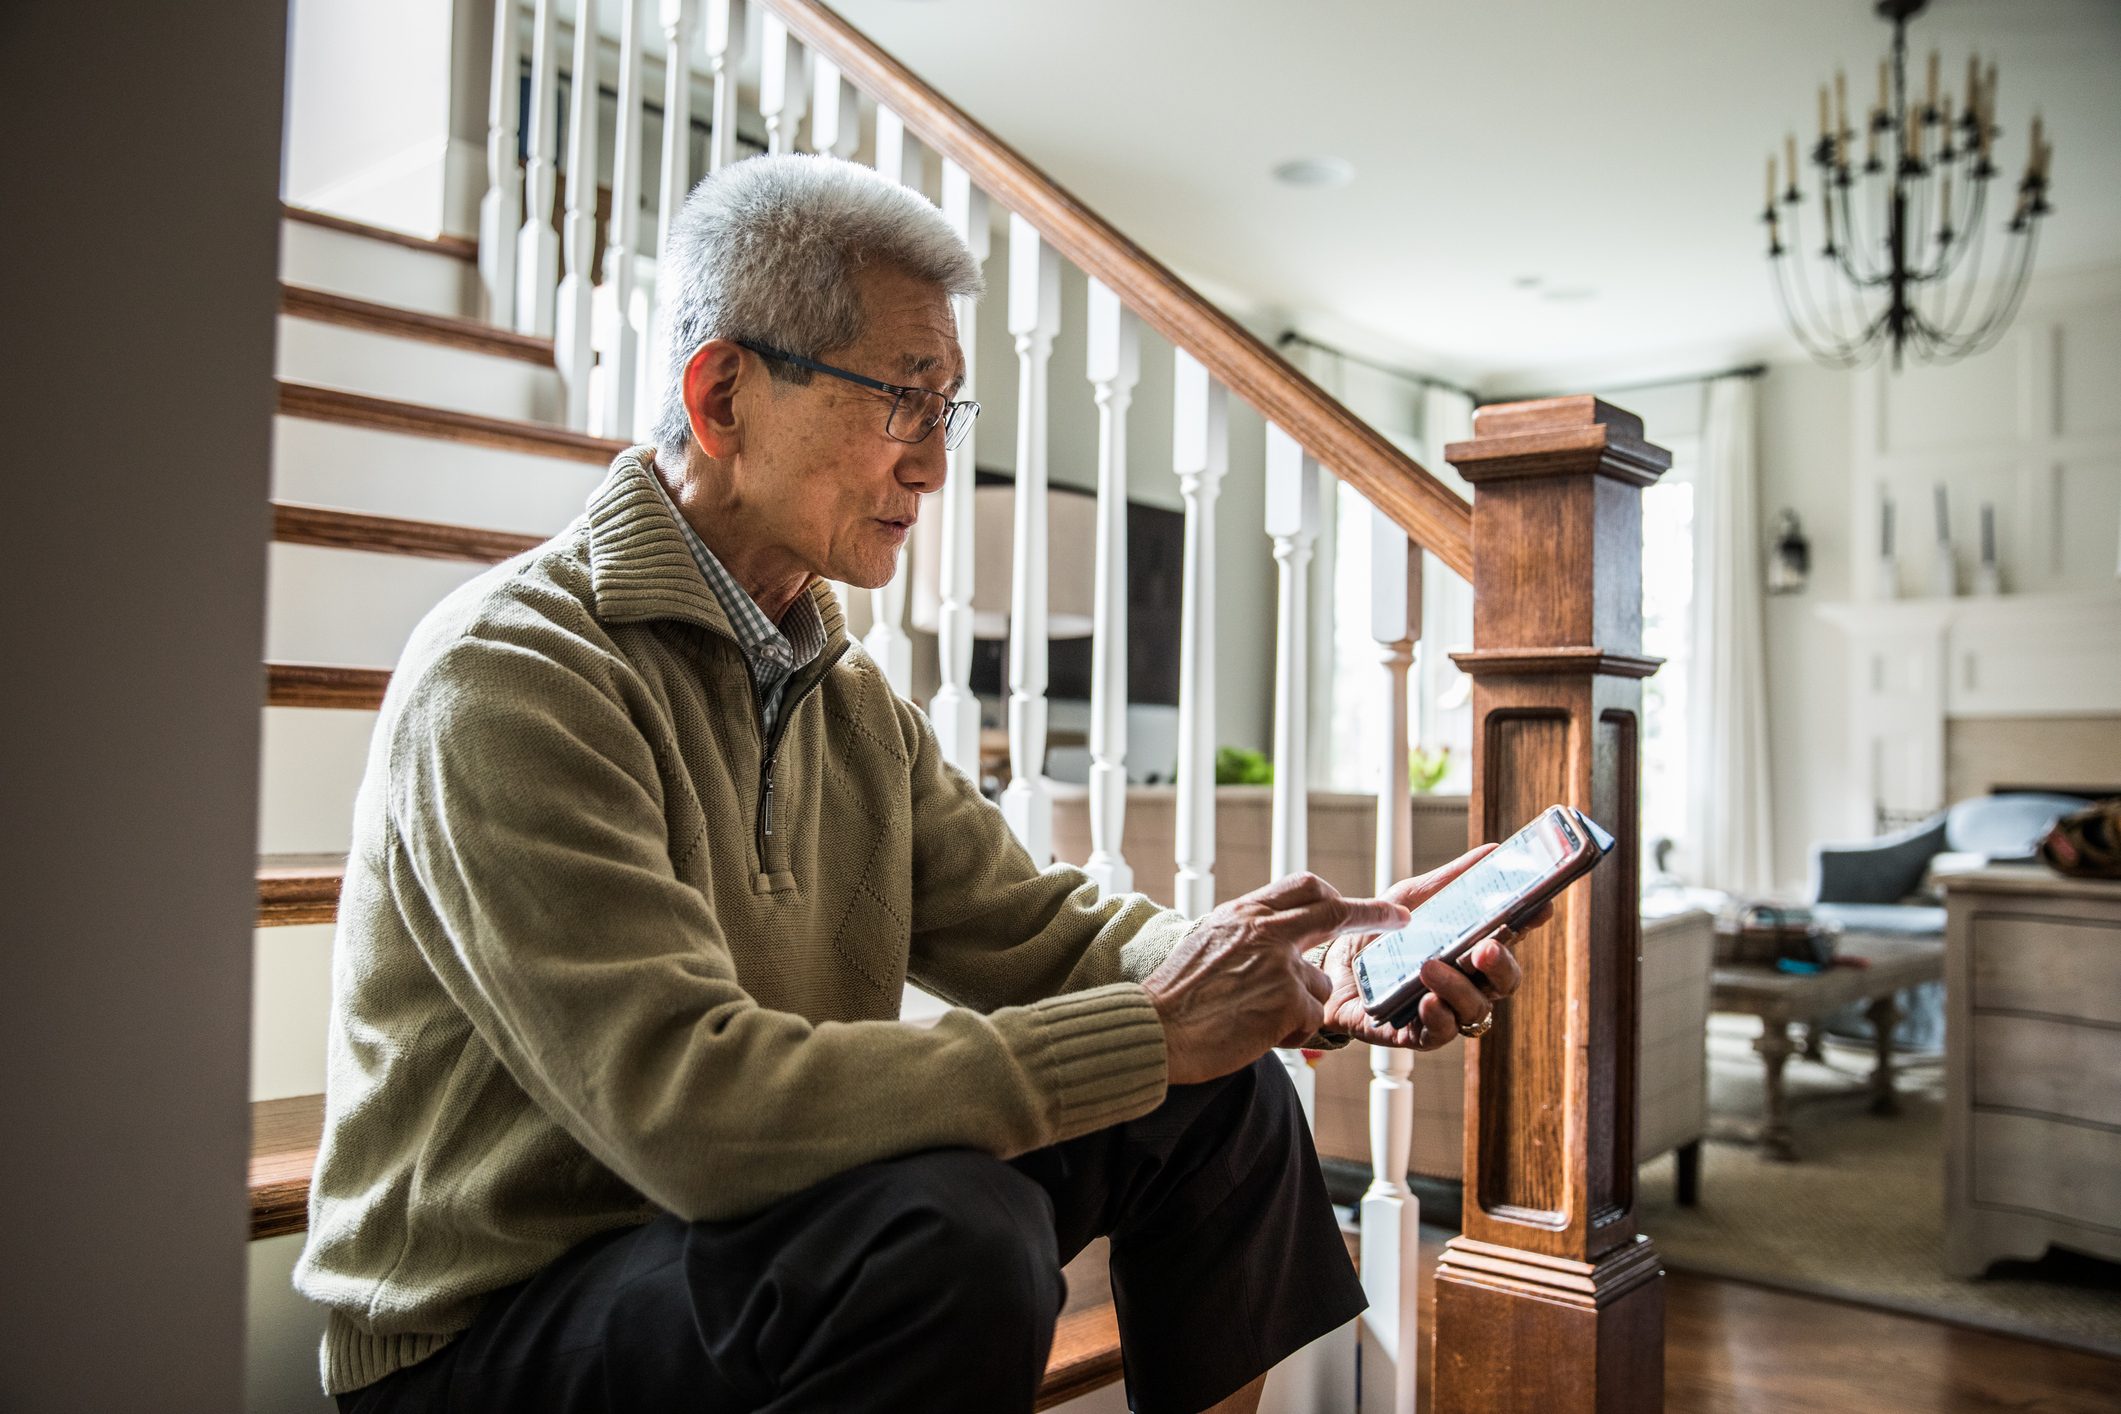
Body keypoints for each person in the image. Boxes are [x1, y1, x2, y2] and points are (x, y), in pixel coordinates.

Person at [295, 153, 1524, 1414]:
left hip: (728, 1245)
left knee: (1221, 1099)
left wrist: (1295, 977)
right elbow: (691, 1108)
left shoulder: (840, 690)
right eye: (902, 400)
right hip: (490, 1328)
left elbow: (1040, 926)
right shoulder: (512, 677)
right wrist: (1154, 1027)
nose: (935, 464)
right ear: (723, 395)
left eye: (949, 411)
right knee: (950, 1232)